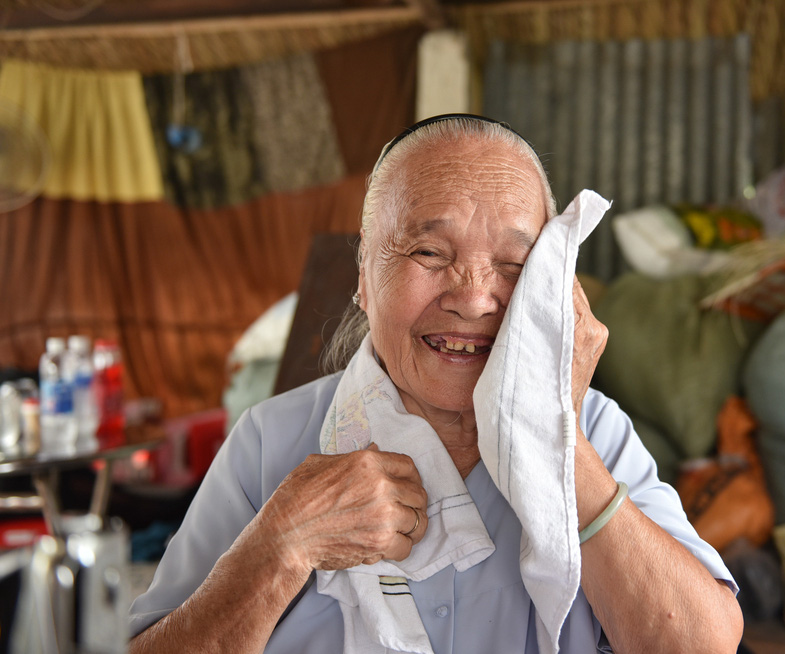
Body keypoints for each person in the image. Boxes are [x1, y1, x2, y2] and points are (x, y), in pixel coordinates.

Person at [129, 115, 743, 653]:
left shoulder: (593, 428)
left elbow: (700, 645)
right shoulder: (273, 441)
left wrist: (560, 446)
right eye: (428, 252)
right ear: (365, 275)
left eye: (514, 266)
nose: (475, 299)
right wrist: (282, 543)